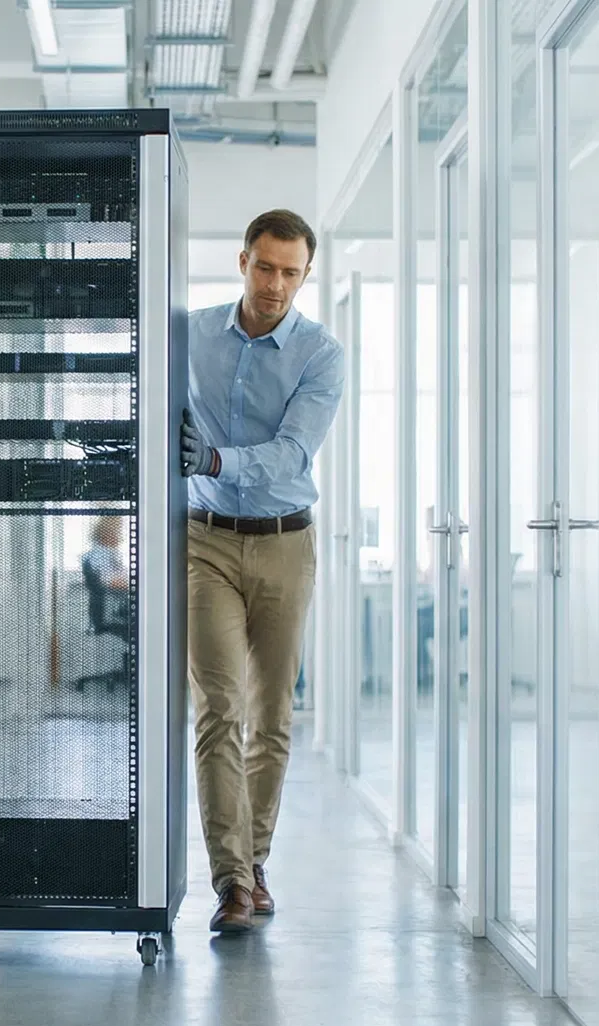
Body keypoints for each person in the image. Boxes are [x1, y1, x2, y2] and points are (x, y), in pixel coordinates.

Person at [180, 209, 346, 934]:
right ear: (242, 260)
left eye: (291, 272)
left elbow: (291, 452)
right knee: (220, 708)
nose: (276, 284)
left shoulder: (321, 354)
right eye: (265, 267)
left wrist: (215, 458)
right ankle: (231, 883)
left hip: (285, 542)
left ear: (306, 274)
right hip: (205, 540)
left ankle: (254, 859)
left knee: (271, 715)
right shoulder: (190, 334)